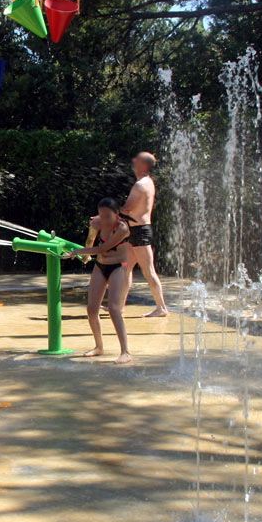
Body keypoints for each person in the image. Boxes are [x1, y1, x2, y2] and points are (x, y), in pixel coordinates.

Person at [65, 198, 133, 363]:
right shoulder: (97, 222)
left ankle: (125, 352)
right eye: (101, 216)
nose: (104, 220)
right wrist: (87, 255)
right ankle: (99, 347)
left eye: (108, 216)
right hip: (101, 266)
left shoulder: (123, 228)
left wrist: (78, 251)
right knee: (91, 309)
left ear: (117, 214)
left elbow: (103, 248)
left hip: (118, 267)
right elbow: (91, 240)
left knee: (114, 309)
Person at [121, 151, 169, 317]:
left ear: (143, 165)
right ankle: (119, 306)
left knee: (148, 270)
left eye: (137, 159)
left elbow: (127, 209)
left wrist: (105, 214)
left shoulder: (141, 185)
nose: (133, 160)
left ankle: (161, 308)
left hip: (140, 231)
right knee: (125, 269)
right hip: (135, 230)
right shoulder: (146, 182)